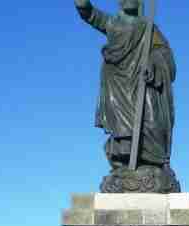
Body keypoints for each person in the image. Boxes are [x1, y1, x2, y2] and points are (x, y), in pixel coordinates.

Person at [74, 0, 176, 177]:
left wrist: (152, 63)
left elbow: (165, 55)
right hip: (119, 86)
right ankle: (124, 162)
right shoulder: (113, 23)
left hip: (143, 82)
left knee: (152, 121)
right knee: (122, 129)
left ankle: (155, 163)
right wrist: (82, 4)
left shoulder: (148, 27)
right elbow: (89, 14)